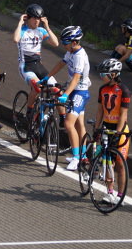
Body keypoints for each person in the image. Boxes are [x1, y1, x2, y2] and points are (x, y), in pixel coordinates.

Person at [47, 26, 91, 172]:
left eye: (65, 42)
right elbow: (61, 64)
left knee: (68, 123)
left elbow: (76, 78)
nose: (63, 45)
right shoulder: (71, 51)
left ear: (74, 42)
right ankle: (83, 155)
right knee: (79, 124)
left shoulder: (79, 55)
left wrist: (66, 94)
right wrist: (47, 76)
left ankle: (77, 157)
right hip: (75, 90)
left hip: (80, 92)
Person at [95, 58, 132, 205]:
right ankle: (109, 192)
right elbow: (99, 111)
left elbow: (123, 114)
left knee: (120, 164)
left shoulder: (124, 90)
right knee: (107, 162)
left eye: (104, 73)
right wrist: (96, 128)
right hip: (106, 126)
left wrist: (118, 133)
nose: (101, 76)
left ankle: (120, 195)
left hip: (120, 129)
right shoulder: (102, 89)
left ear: (114, 74)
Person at [13, 3, 59, 109]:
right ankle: (29, 111)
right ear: (28, 18)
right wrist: (20, 23)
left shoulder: (41, 31)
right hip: (25, 66)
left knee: (56, 90)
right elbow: (15, 39)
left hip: (38, 65)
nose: (37, 21)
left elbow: (56, 43)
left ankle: (62, 118)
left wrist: (47, 26)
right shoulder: (22, 30)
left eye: (39, 19)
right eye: (34, 18)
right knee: (37, 88)